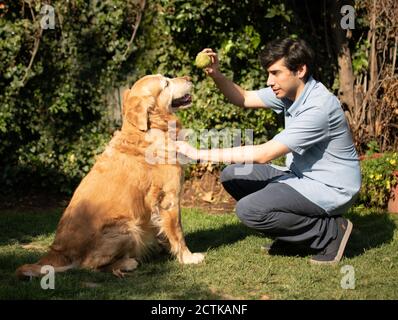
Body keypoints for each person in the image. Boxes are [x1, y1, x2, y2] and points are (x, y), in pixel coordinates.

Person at [175, 38, 361, 265]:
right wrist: (216, 74)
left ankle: (330, 231)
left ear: (300, 70)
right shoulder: (290, 93)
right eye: (268, 73)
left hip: (331, 188)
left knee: (249, 210)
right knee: (233, 175)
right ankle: (291, 236)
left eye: (275, 73)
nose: (269, 81)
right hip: (300, 177)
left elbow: (264, 153)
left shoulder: (318, 107)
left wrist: (199, 153)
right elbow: (243, 98)